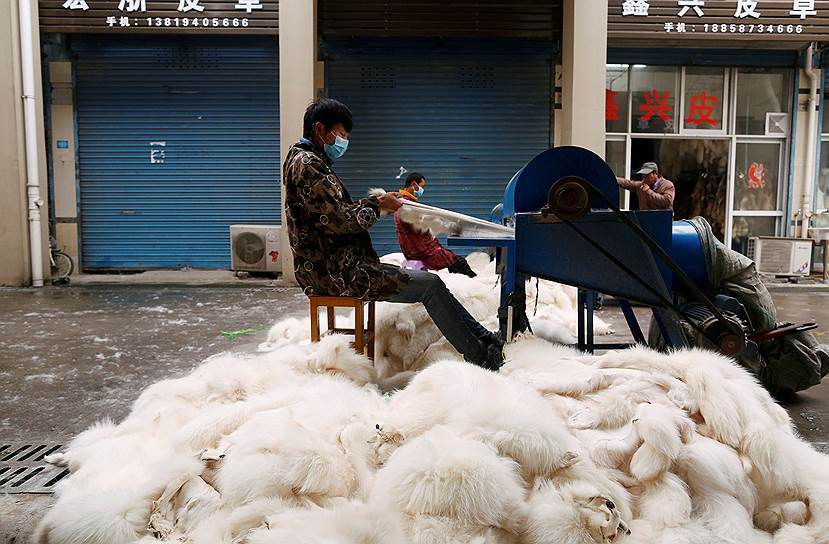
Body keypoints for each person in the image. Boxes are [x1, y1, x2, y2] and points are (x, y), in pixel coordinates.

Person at [283, 98, 503, 370]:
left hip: (335, 267)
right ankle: (481, 355)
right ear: (320, 130)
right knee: (430, 286)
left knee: (433, 284)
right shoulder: (308, 164)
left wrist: (382, 204)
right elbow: (339, 220)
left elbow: (333, 213)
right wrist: (379, 205)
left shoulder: (306, 160)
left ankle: (486, 341)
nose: (343, 141)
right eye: (340, 134)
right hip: (337, 273)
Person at [395, 172, 477, 278]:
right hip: (421, 251)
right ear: (414, 185)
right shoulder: (407, 206)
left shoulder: (403, 203)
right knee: (460, 263)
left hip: (416, 249)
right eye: (421, 187)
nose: (421, 190)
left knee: (453, 260)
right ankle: (473, 284)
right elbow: (419, 226)